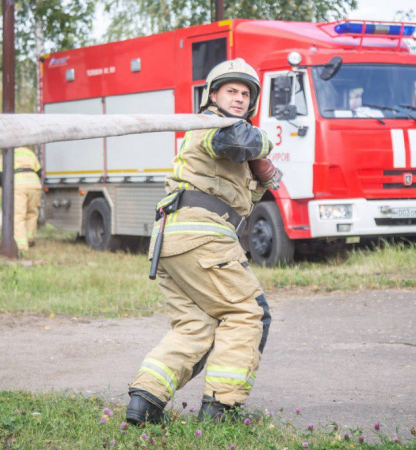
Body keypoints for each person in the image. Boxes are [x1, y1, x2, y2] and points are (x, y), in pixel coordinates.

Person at [126, 59, 281, 425]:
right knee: (247, 313)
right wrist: (266, 145)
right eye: (232, 91)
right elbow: (240, 139)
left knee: (195, 325)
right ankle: (221, 411)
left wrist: (261, 172)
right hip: (202, 237)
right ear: (213, 96)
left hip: (172, 238)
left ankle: (144, 403)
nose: (240, 99)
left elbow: (249, 190)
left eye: (246, 94)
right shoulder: (215, 123)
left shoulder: (223, 138)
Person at [0, 147, 43, 251]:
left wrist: (6, 189)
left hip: (18, 186)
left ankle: (21, 246)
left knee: (18, 216)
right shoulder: (29, 152)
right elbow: (39, 171)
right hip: (34, 185)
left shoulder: (6, 152)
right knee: (32, 214)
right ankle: (29, 239)